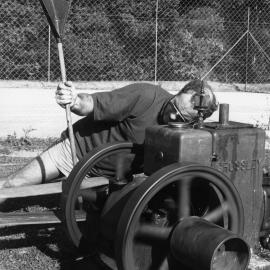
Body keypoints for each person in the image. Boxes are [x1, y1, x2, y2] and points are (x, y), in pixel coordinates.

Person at [0, 79, 218, 189]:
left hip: (112, 179)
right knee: (14, 185)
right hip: (76, 152)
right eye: (174, 109)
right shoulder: (145, 96)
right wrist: (74, 100)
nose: (173, 119)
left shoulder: (186, 130)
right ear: (179, 92)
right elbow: (93, 104)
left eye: (182, 118)